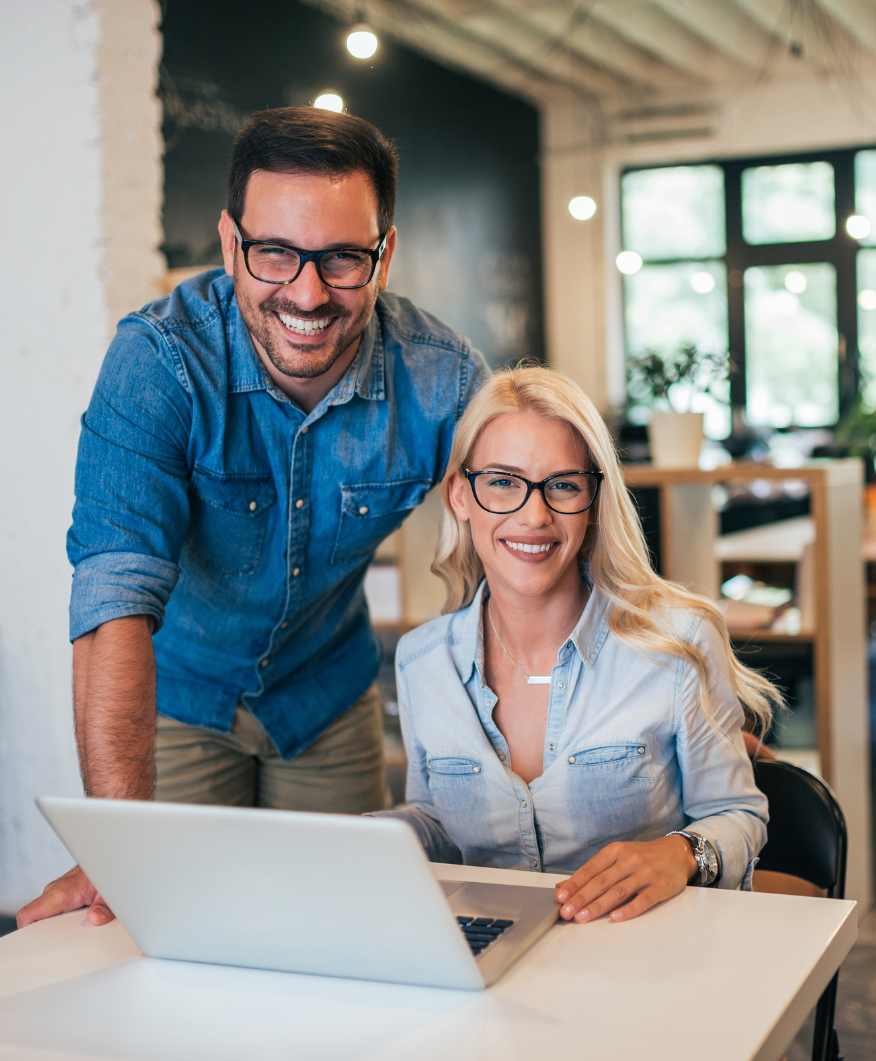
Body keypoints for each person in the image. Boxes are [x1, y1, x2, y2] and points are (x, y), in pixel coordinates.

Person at [17, 107, 489, 928]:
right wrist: (119, 843)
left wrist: (672, 695)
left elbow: (544, 538)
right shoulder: (159, 362)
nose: (307, 294)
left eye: (343, 258)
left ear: (385, 253)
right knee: (169, 937)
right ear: (232, 243)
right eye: (275, 253)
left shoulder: (441, 379)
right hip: (175, 698)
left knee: (347, 937)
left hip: (326, 695)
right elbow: (112, 599)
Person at [377, 366, 777, 922]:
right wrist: (369, 835)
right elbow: (439, 825)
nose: (534, 515)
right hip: (491, 955)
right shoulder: (422, 661)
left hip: (641, 956)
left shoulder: (677, 642)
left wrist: (679, 854)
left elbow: (737, 814)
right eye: (502, 482)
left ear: (592, 504)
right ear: (460, 497)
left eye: (563, 485)